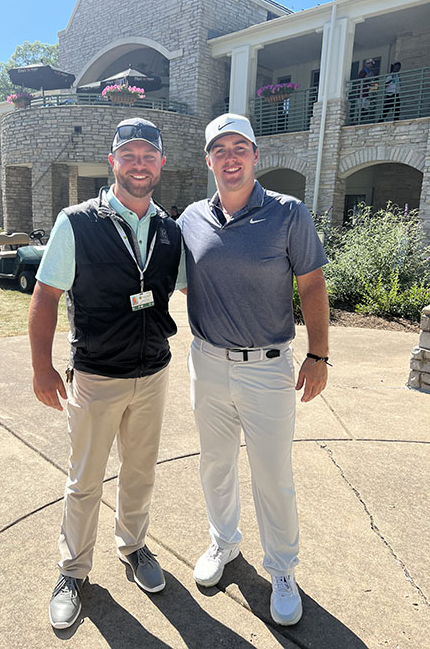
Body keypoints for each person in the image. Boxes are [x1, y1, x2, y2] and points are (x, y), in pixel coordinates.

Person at [28, 118, 185, 630]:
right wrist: (41, 368)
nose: (139, 165)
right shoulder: (76, 222)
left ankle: (134, 547)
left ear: (160, 163)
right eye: (129, 155)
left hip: (153, 372)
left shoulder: (169, 229)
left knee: (140, 472)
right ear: (112, 161)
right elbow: (45, 297)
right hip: (96, 376)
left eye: (148, 156)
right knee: (85, 481)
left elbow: (189, 290)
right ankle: (72, 571)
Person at [177, 113, 329, 627]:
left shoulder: (288, 213)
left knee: (272, 476)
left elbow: (312, 286)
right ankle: (224, 543)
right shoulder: (191, 220)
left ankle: (283, 569)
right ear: (209, 161)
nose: (231, 157)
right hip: (208, 363)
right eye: (220, 149)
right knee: (215, 465)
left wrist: (318, 354)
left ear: (255, 155)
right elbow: (179, 281)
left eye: (240, 146)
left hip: (268, 368)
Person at [356, 58, 376, 122]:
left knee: (366, 107)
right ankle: (359, 120)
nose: (371, 66)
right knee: (361, 107)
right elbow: (360, 80)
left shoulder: (369, 72)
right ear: (366, 64)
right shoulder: (363, 72)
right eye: (369, 64)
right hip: (361, 93)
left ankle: (363, 120)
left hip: (366, 92)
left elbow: (370, 82)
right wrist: (367, 77)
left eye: (372, 64)